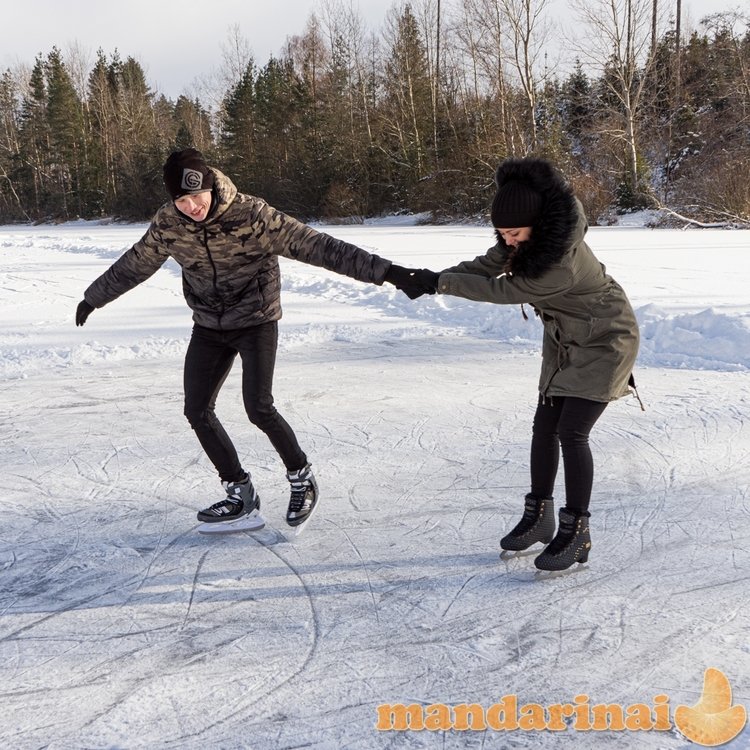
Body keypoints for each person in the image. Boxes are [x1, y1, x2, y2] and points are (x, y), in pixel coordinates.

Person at [76, 148, 428, 532]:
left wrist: (390, 272)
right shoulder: (167, 225)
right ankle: (239, 493)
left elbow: (320, 247)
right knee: (197, 410)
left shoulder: (254, 215)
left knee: (258, 407)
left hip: (256, 319)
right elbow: (135, 263)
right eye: (181, 199)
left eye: (197, 195)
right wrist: (93, 297)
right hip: (209, 325)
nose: (192, 206)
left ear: (210, 185)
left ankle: (301, 478)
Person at [404, 157, 641, 571]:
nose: (508, 241)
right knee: (544, 427)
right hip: (566, 338)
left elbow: (504, 290)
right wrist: (431, 278)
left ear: (536, 223)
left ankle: (576, 532)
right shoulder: (528, 238)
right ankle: (539, 517)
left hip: (606, 339)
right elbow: (486, 267)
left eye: (513, 233)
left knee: (572, 432)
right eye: (502, 234)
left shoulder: (559, 263)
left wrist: (441, 283)